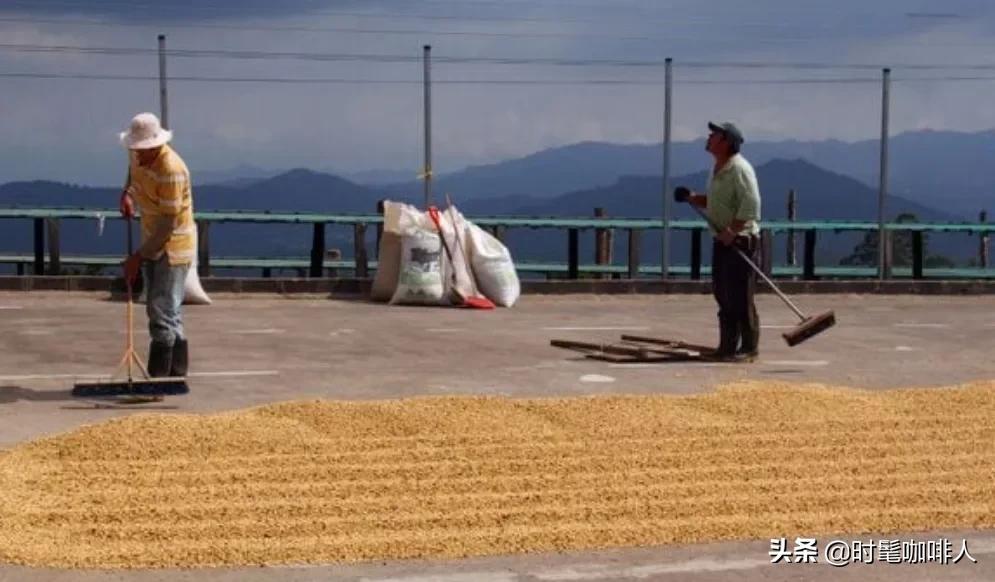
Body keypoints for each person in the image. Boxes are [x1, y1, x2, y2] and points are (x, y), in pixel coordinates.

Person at [675, 121, 762, 362]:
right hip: (722, 239)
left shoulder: (739, 169)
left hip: (741, 240)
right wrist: (693, 197)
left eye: (714, 135)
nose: (709, 138)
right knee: (723, 294)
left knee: (741, 295)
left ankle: (749, 347)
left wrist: (733, 230)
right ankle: (727, 346)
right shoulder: (717, 168)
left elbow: (751, 205)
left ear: (726, 142)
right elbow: (716, 202)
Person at [118, 112, 196, 377]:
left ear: (156, 147)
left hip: (173, 245)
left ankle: (159, 379)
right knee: (168, 308)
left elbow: (168, 224)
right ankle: (176, 374)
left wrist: (137, 258)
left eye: (142, 150)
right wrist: (128, 194)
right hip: (150, 237)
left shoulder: (172, 171)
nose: (136, 155)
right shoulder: (137, 157)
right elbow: (133, 175)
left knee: (160, 309)